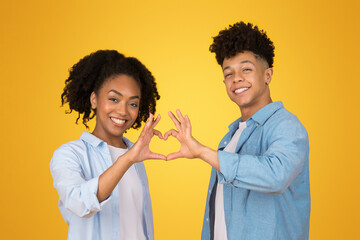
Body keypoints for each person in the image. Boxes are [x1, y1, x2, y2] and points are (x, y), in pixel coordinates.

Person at [164, 22, 310, 240]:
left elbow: (275, 175)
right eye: (229, 73)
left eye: (246, 69)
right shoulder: (232, 136)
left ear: (267, 75)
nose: (237, 79)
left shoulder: (286, 125)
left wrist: (203, 152)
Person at [50, 50, 165, 240]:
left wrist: (130, 157)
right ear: (94, 99)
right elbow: (79, 203)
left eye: (133, 104)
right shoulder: (69, 154)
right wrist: (127, 159)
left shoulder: (136, 158)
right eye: (114, 99)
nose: (123, 111)